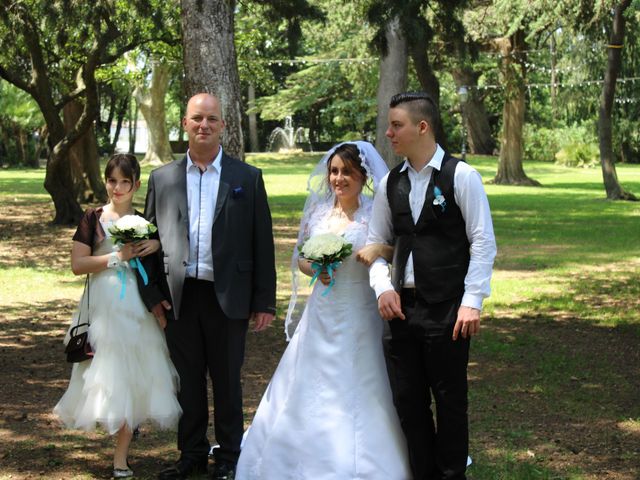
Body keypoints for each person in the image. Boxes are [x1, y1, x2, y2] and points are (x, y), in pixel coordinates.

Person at [235, 141, 412, 480]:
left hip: (360, 307)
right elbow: (301, 256)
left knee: (362, 377)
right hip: (323, 308)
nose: (339, 178)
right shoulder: (318, 212)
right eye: (334, 171)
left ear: (363, 176)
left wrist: (377, 249)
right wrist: (316, 267)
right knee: (309, 378)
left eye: (347, 172)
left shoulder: (376, 210)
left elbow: (397, 250)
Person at [144, 93, 277, 480]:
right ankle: (191, 455)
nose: (204, 125)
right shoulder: (163, 178)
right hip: (179, 298)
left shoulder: (246, 178)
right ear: (184, 123)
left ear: (223, 126)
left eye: (212, 119)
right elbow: (148, 243)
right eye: (197, 118)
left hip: (229, 297)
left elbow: (261, 240)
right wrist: (153, 296)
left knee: (227, 382)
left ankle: (231, 457)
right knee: (186, 381)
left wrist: (264, 300)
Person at [367, 91, 497, 480]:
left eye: (396, 125)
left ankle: (452, 474)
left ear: (422, 127)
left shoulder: (462, 176)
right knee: (409, 401)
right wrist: (382, 288)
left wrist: (471, 301)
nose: (388, 133)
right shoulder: (391, 183)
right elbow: (375, 245)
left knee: (450, 400)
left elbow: (483, 241)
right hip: (401, 308)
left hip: (447, 308)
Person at [54, 153, 182, 479]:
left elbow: (154, 270)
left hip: (137, 309)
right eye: (113, 180)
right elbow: (77, 264)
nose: (118, 187)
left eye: (126, 181)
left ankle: (121, 457)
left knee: (136, 377)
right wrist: (115, 256)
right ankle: (111, 428)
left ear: (136, 184)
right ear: (106, 181)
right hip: (103, 307)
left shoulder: (144, 222)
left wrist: (152, 246)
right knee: (106, 375)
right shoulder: (93, 218)